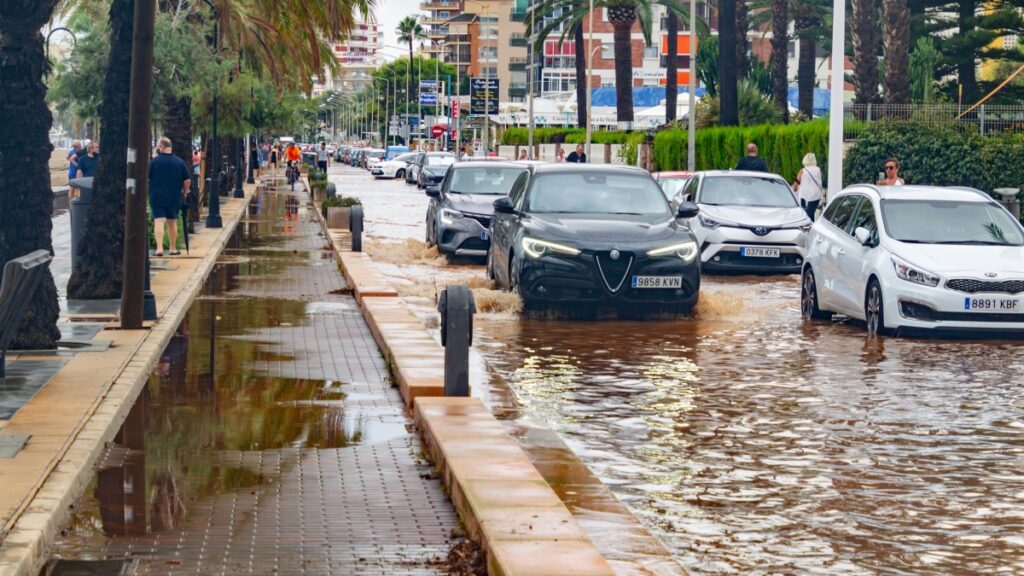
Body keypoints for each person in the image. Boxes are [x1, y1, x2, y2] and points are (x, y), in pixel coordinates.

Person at [148, 137, 191, 257]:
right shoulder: (179, 162)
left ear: (162, 147)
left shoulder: (154, 161)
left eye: (157, 146)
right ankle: (172, 249)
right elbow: (187, 180)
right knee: (172, 222)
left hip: (156, 196)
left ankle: (159, 249)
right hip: (174, 197)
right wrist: (185, 192)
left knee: (159, 221)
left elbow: (147, 177)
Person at [792, 153, 824, 221]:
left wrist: (795, 188)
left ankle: (809, 228)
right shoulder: (818, 170)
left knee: (806, 215)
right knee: (811, 214)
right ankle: (811, 227)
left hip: (804, 197)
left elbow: (795, 186)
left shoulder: (803, 171)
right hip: (816, 196)